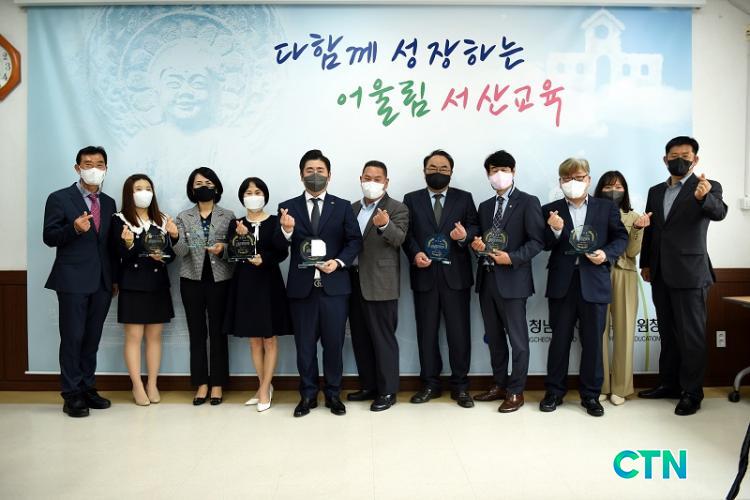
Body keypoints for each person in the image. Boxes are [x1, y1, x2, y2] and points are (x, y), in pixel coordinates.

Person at [638, 136, 727, 415]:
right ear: (665, 160)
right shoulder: (655, 191)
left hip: (691, 273)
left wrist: (704, 198)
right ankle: (669, 384)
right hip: (660, 272)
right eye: (674, 156)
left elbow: (720, 213)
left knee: (691, 336)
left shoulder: (707, 186)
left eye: (685, 156)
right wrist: (646, 262)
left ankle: (692, 392)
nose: (679, 160)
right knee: (668, 332)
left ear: (695, 160)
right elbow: (652, 230)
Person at [273, 149, 362, 417]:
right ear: (301, 175)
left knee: (334, 345)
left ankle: (334, 394)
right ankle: (308, 395)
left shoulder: (342, 206)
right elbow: (278, 250)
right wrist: (286, 230)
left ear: (329, 175)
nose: (315, 175)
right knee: (305, 347)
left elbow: (354, 241)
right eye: (310, 171)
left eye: (320, 170)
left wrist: (339, 262)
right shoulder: (288, 207)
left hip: (335, 288)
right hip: (302, 290)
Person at [539, 158, 628, 417]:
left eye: (578, 177)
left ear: (588, 179)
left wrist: (606, 254)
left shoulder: (606, 208)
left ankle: (590, 395)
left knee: (593, 343)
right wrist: (555, 231)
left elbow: (620, 237)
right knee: (559, 340)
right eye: (567, 178)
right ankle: (554, 392)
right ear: (560, 182)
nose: (573, 182)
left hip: (595, 281)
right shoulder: (550, 209)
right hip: (562, 283)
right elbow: (543, 243)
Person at [43, 146, 117, 418]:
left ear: (106, 169)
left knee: (92, 338)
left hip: (102, 281)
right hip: (72, 280)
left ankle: (87, 388)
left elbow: (108, 245)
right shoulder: (59, 198)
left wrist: (114, 279)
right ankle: (71, 393)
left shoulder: (109, 202)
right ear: (77, 168)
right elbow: (49, 237)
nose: (94, 168)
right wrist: (73, 228)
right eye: (88, 164)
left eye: (99, 164)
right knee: (73, 338)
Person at [402, 149, 480, 408]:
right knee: (426, 334)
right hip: (424, 275)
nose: (438, 172)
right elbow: (407, 234)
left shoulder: (464, 198)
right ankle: (430, 384)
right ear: (424, 171)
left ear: (451, 172)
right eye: (433, 168)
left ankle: (461, 387)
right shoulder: (411, 199)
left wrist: (464, 236)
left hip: (455, 277)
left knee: (459, 334)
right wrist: (415, 254)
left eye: (443, 168)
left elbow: (475, 227)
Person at [470, 150, 545, 413]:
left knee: (518, 341)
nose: (499, 174)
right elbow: (482, 241)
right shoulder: (484, 206)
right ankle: (499, 384)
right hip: (487, 280)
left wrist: (511, 258)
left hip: (513, 280)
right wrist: (477, 246)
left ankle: (516, 390)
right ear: (488, 174)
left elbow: (537, 241)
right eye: (494, 170)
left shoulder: (528, 202)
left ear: (513, 172)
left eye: (504, 169)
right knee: (494, 338)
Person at [224, 177, 292, 412]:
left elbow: (281, 252)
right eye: (249, 192)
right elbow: (233, 253)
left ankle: (264, 390)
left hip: (268, 283)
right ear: (242, 197)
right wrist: (242, 236)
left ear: (265, 196)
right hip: (245, 283)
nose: (253, 196)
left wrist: (265, 256)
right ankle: (263, 385)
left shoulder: (274, 222)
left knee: (269, 338)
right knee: (254, 339)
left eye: (258, 192)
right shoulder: (235, 223)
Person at [347, 160, 409, 412]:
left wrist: (384, 224)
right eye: (367, 178)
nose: (371, 183)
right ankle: (369, 386)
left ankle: (388, 391)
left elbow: (399, 239)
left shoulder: (397, 208)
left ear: (386, 182)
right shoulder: (351, 208)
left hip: (381, 283)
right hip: (352, 281)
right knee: (360, 338)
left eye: (377, 178)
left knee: (383, 339)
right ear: (360, 179)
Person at [171, 167, 234, 406]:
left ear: (216, 187)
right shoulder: (183, 217)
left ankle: (217, 383)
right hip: (191, 281)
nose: (203, 187)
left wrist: (223, 249)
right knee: (197, 333)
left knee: (218, 333)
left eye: (208, 183)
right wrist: (175, 236)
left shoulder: (228, 215)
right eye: (198, 184)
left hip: (221, 280)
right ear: (191, 189)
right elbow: (181, 252)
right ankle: (201, 383)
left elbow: (235, 249)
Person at [111, 174, 176, 406]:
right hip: (133, 284)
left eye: (148, 188)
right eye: (138, 188)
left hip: (158, 284)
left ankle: (152, 384)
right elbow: (118, 255)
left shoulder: (163, 219)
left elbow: (171, 255)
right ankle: (137, 385)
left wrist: (170, 243)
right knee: (134, 337)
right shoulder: (119, 219)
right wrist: (130, 244)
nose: (144, 192)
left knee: (154, 337)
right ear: (129, 193)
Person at [594, 171, 651, 406]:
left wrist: (637, 229)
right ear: (600, 190)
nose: (613, 191)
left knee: (625, 331)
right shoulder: (591, 213)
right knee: (597, 331)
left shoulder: (634, 216)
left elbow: (632, 252)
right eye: (608, 187)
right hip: (597, 273)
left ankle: (621, 387)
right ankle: (600, 385)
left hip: (625, 274)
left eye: (618, 187)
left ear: (625, 190)